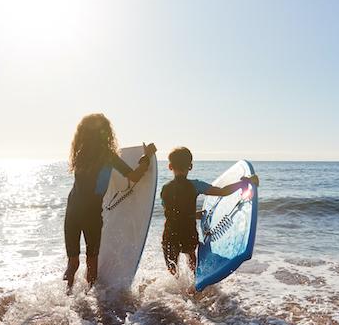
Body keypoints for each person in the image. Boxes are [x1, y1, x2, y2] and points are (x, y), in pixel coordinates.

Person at [64, 113, 156, 290]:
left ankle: (68, 296)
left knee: (73, 262)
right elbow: (135, 176)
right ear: (106, 133)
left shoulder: (79, 154)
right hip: (91, 214)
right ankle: (90, 297)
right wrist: (146, 158)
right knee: (92, 261)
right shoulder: (108, 156)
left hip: (72, 211)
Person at [160, 147, 259, 276]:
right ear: (190, 166)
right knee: (191, 259)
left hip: (170, 232)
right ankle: (195, 285)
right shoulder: (195, 185)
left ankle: (174, 292)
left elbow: (172, 212)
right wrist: (243, 183)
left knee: (172, 269)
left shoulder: (165, 188)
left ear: (170, 166)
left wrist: (194, 215)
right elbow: (223, 192)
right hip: (188, 232)